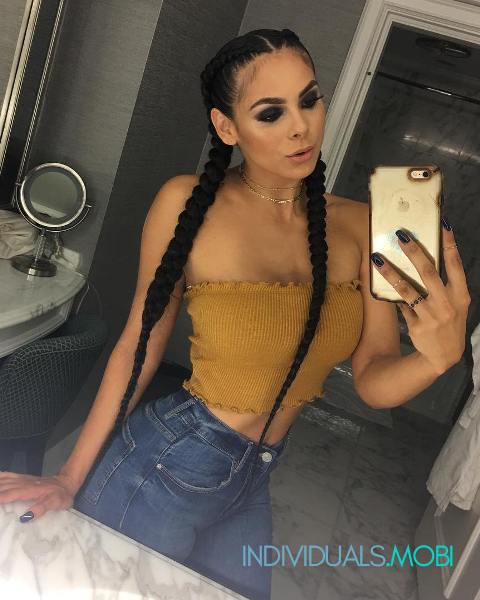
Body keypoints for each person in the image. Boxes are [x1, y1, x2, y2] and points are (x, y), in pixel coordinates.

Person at [0, 28, 470, 600]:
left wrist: (437, 358)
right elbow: (140, 342)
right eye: (271, 113)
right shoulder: (186, 203)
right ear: (227, 128)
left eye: (309, 100)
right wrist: (69, 474)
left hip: (256, 471)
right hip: (170, 461)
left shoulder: (365, 223)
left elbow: (373, 379)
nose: (301, 127)